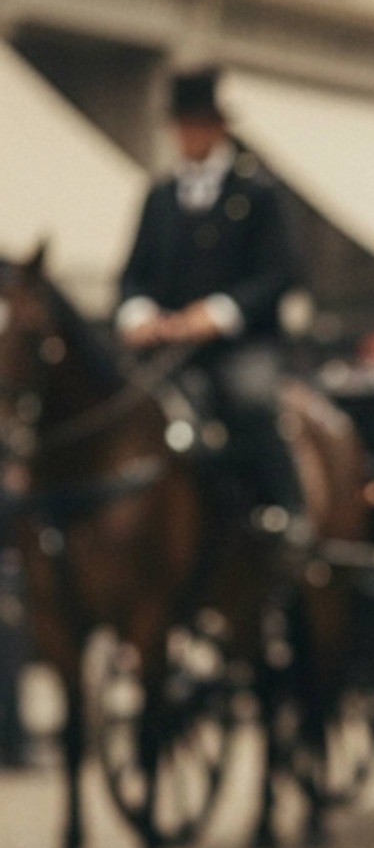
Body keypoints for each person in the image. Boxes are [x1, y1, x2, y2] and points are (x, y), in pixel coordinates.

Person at [116, 67, 303, 535]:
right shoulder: (159, 196)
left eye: (198, 124)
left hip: (239, 343)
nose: (189, 135)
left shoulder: (256, 193)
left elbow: (282, 272)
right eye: (182, 125)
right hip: (168, 345)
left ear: (218, 128)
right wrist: (138, 313)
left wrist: (219, 312)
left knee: (251, 399)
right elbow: (132, 273)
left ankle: (285, 509)